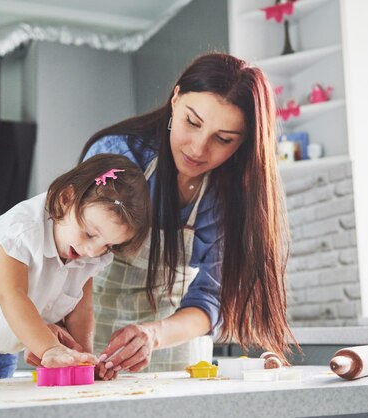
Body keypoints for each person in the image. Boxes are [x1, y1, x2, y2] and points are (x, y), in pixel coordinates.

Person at [26, 52, 298, 380]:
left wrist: (154, 335)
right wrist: (50, 330)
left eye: (223, 139)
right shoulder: (120, 155)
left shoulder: (230, 194)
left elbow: (209, 300)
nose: (198, 148)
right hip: (84, 337)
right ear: (175, 99)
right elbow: (65, 254)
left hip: (174, 349)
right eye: (192, 122)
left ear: (243, 143)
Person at [0, 154, 151, 385]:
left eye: (108, 245)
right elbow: (11, 295)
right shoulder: (23, 229)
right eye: (89, 234)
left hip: (2, 350)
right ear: (66, 199)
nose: (92, 251)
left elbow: (81, 309)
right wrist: (49, 348)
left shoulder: (89, 253)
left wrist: (84, 361)